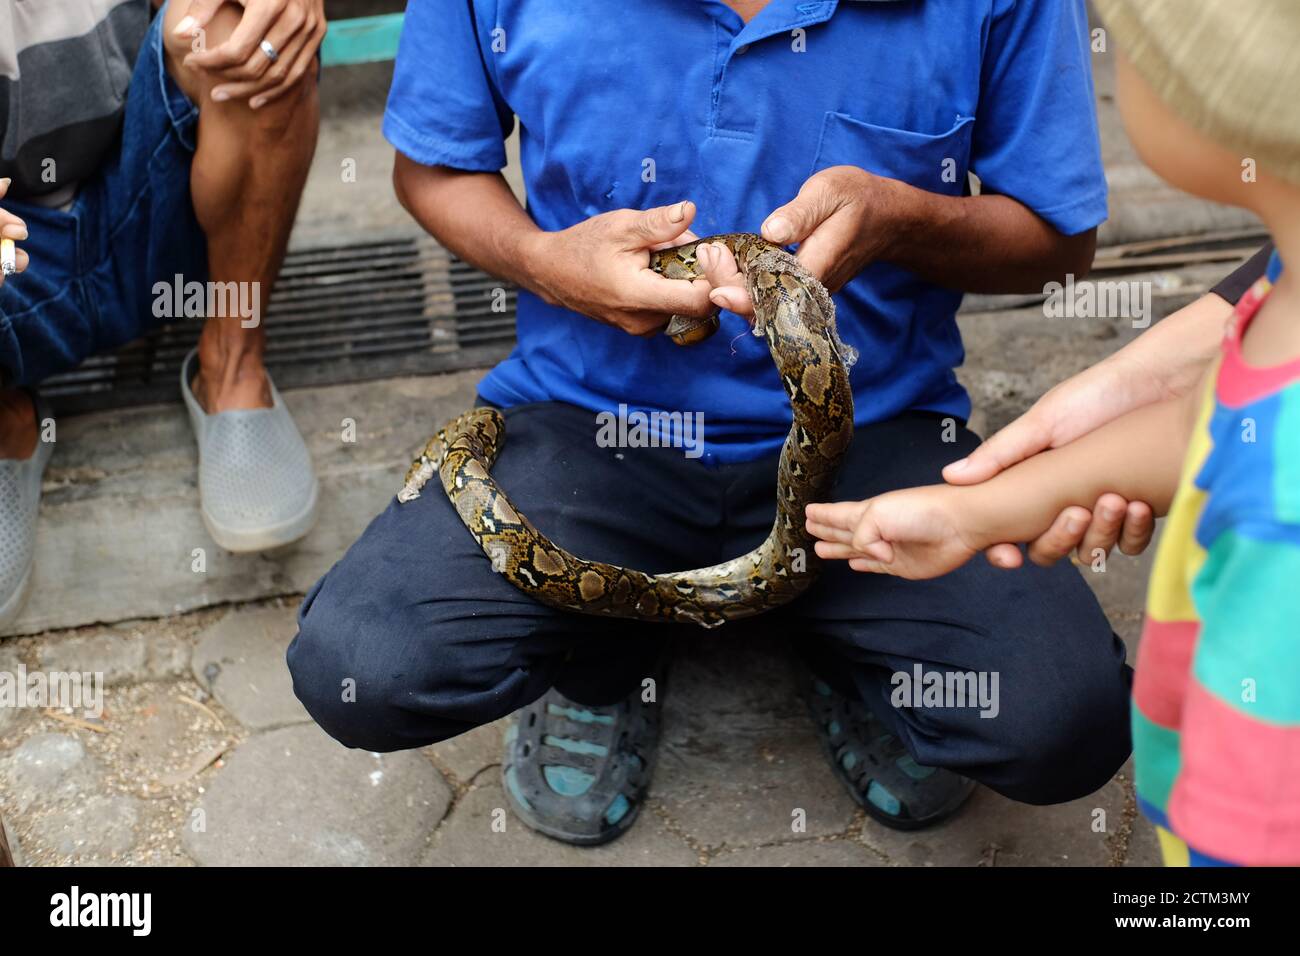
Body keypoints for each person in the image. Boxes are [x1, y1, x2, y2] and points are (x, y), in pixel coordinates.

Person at [290, 0, 1132, 845]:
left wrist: (903, 218)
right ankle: (602, 663)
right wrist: (546, 264)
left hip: (877, 436)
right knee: (366, 663)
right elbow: (431, 168)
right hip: (588, 425)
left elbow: (1058, 242)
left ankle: (839, 644)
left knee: (1062, 717)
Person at [808, 0, 1300, 867]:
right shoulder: (1283, 303)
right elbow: (1209, 416)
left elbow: (1256, 824)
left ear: (1207, 103)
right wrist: (983, 512)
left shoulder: (1277, 522)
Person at [0, 0, 325, 629]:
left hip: (148, 193)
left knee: (245, 29)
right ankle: (8, 419)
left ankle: (231, 366)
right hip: (13, 272)